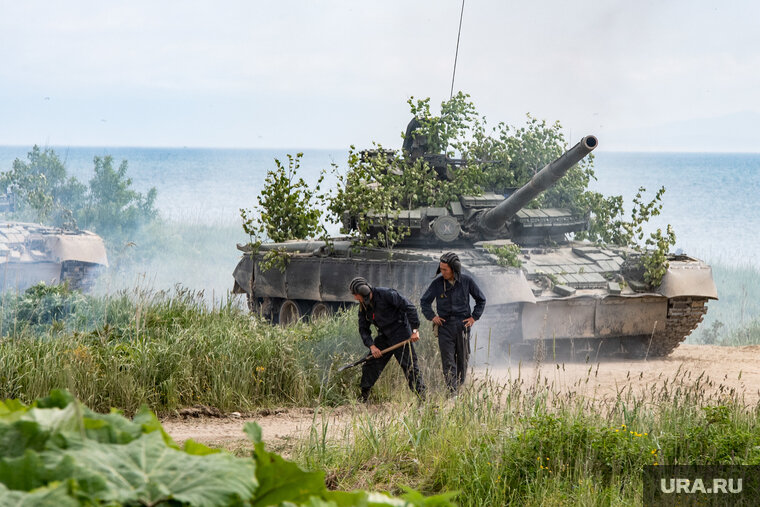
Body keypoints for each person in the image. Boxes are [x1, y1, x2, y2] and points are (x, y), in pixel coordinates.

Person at [349, 276, 426, 402]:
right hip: (384, 336)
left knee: (410, 367)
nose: (355, 298)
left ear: (364, 293)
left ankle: (422, 399)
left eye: (356, 295)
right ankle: (363, 397)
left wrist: (415, 330)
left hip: (401, 334)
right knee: (371, 364)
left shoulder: (387, 294)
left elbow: (410, 307)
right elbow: (363, 329)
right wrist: (372, 346)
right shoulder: (363, 306)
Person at [420, 252, 486, 394]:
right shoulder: (437, 284)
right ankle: (452, 392)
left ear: (454, 269)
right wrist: (432, 316)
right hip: (445, 326)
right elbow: (424, 302)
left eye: (445, 270)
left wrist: (474, 317)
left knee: (463, 360)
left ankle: (459, 386)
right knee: (448, 361)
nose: (442, 272)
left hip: (463, 326)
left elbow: (481, 299)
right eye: (441, 269)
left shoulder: (467, 281)